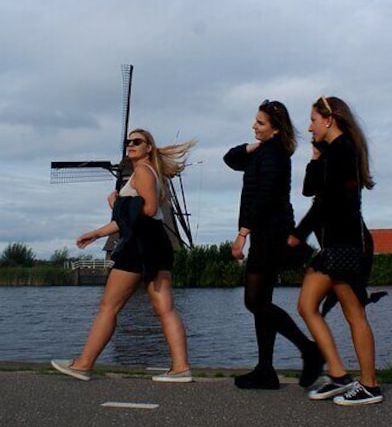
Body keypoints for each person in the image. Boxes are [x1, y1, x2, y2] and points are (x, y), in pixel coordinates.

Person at [52, 129, 196, 383]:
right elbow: (131, 218)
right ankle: (181, 368)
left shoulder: (141, 172)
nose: (130, 145)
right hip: (156, 242)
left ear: (148, 147)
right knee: (165, 308)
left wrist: (115, 204)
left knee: (109, 307)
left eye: (136, 141)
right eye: (127, 142)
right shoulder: (151, 172)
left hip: (140, 244)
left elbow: (148, 209)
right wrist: (97, 233)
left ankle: (83, 364)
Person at [288, 95, 383, 405]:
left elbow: (326, 203)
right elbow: (309, 190)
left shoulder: (344, 151)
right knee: (307, 305)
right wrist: (316, 155)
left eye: (313, 120)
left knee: (353, 313)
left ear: (329, 120)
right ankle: (339, 374)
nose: (309, 126)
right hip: (332, 245)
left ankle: (369, 385)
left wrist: (298, 235)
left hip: (348, 245)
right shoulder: (331, 152)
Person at [224, 99, 324, 390]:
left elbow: (265, 197)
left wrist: (243, 233)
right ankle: (266, 370)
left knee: (254, 301)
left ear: (277, 129)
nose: (254, 126)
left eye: (261, 123)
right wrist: (254, 144)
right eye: (255, 121)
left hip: (271, 232)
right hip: (265, 233)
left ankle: (308, 349)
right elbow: (230, 158)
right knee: (261, 302)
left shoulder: (276, 155)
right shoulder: (263, 152)